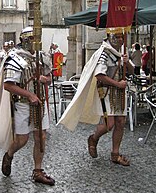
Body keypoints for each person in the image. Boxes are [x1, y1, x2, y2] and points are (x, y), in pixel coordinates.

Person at [0, 26, 55, 186]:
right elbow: (8, 85)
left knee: (41, 137)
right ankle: (9, 154)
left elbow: (50, 78)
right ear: (25, 40)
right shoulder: (15, 57)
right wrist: (29, 94)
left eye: (38, 38)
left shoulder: (42, 57)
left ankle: (38, 171)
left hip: (40, 102)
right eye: (33, 39)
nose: (36, 42)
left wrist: (46, 79)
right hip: (22, 104)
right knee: (22, 139)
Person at [57, 32, 134, 166]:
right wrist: (117, 84)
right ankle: (93, 139)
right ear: (110, 37)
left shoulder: (122, 52)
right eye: (117, 37)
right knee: (109, 124)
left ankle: (115, 154)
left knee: (120, 122)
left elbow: (133, 72)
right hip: (107, 91)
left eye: (122, 37)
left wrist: (127, 63)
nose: (121, 40)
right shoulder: (104, 53)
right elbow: (99, 75)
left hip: (120, 93)